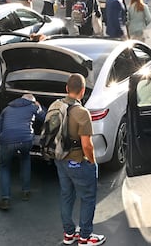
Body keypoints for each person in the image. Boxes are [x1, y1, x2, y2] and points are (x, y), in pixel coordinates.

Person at [55, 74, 106, 246]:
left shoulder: (56, 105)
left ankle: (69, 234)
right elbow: (87, 145)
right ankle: (85, 236)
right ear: (83, 91)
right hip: (77, 161)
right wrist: (92, 162)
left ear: (67, 88)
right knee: (88, 197)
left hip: (60, 159)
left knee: (66, 195)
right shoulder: (82, 113)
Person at [0, 93, 45, 210]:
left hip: (7, 140)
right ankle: (25, 192)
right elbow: (45, 118)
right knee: (25, 159)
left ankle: (5, 199)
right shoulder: (33, 107)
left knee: (4, 167)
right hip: (25, 140)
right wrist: (39, 106)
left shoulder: (6, 109)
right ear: (32, 101)